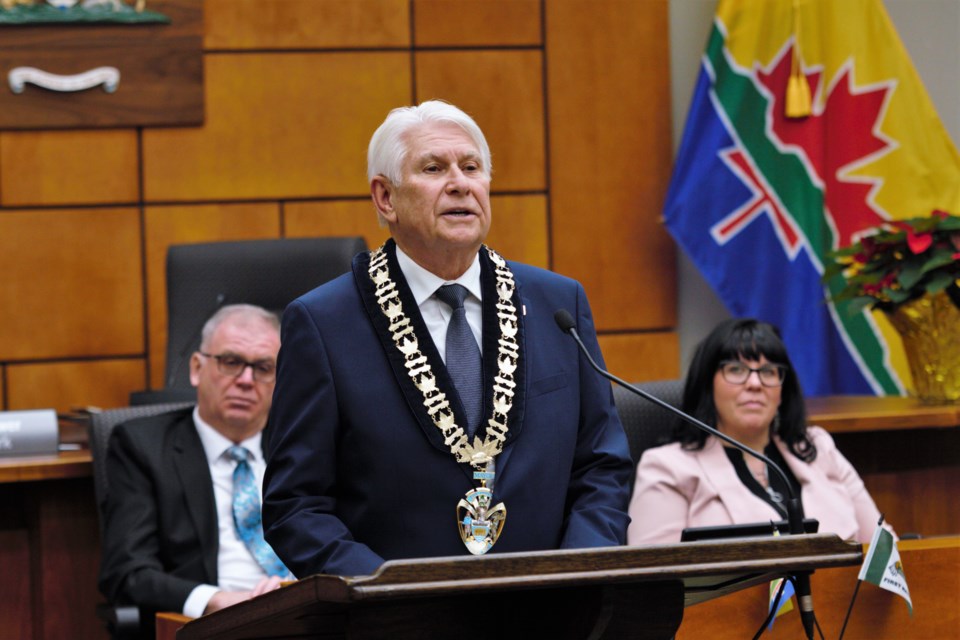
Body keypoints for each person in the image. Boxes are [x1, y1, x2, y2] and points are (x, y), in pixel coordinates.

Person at [263, 100, 633, 577]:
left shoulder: (558, 304)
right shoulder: (323, 323)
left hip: (552, 609)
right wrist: (386, 595)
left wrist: (578, 573)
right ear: (385, 198)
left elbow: (601, 465)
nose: (460, 183)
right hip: (399, 621)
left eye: (472, 167)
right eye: (434, 168)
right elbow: (296, 504)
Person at [98, 304, 291, 634]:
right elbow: (128, 571)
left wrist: (297, 591)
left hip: (305, 614)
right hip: (208, 624)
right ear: (197, 368)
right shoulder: (141, 446)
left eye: (263, 367)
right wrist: (215, 601)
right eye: (231, 362)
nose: (246, 380)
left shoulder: (302, 447)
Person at [627, 318, 888, 545]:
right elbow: (655, 585)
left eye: (768, 372)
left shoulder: (817, 448)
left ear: (783, 389)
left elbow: (885, 551)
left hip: (841, 599)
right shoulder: (667, 467)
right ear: (707, 383)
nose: (754, 383)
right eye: (736, 370)